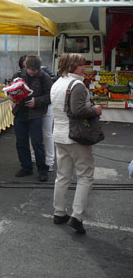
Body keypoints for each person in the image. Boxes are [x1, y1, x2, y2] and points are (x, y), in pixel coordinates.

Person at [50, 53, 102, 234]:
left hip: (59, 135)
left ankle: (59, 212)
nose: (84, 68)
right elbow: (79, 110)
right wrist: (95, 110)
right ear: (71, 66)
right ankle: (77, 216)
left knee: (63, 175)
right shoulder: (77, 85)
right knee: (85, 176)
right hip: (75, 137)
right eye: (81, 65)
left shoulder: (57, 84)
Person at [12, 55, 52, 182]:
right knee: (21, 142)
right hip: (20, 112)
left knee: (37, 143)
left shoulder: (44, 77)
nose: (33, 73)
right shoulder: (18, 75)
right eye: (30, 70)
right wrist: (13, 98)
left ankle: (42, 170)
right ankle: (26, 167)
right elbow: (11, 91)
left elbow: (51, 96)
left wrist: (37, 101)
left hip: (36, 114)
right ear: (25, 66)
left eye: (35, 71)